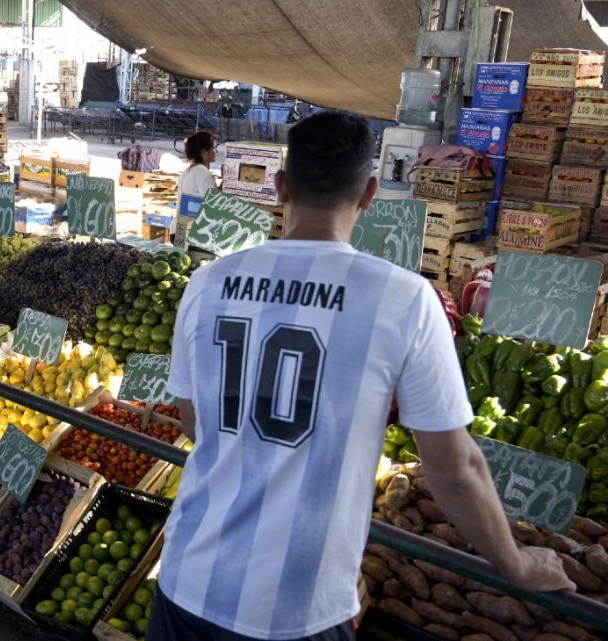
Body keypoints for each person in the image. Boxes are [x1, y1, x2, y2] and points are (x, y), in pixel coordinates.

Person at [151, 111, 574, 641]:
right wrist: (515, 564)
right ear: (370, 193)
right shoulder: (403, 298)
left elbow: (193, 424)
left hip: (185, 582)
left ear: (281, 187)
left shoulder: (208, 281)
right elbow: (455, 468)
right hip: (298, 607)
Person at [175, 131, 218, 243]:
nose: (216, 151)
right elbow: (212, 203)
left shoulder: (189, 170)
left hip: (179, 229)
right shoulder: (202, 173)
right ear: (204, 152)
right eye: (213, 148)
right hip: (192, 232)